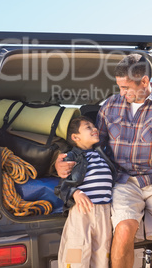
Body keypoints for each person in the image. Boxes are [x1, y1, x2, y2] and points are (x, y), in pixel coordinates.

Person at [56, 54, 152, 268]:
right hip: (123, 181)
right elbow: (93, 146)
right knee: (124, 229)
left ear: (144, 81)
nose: (121, 93)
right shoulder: (110, 107)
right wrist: (61, 162)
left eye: (125, 88)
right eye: (119, 87)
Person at [55, 115, 117, 268]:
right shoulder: (72, 156)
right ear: (75, 137)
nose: (95, 129)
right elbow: (61, 186)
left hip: (104, 212)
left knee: (102, 255)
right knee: (77, 254)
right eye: (88, 127)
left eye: (94, 126)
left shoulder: (102, 154)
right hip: (82, 212)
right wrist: (76, 193)